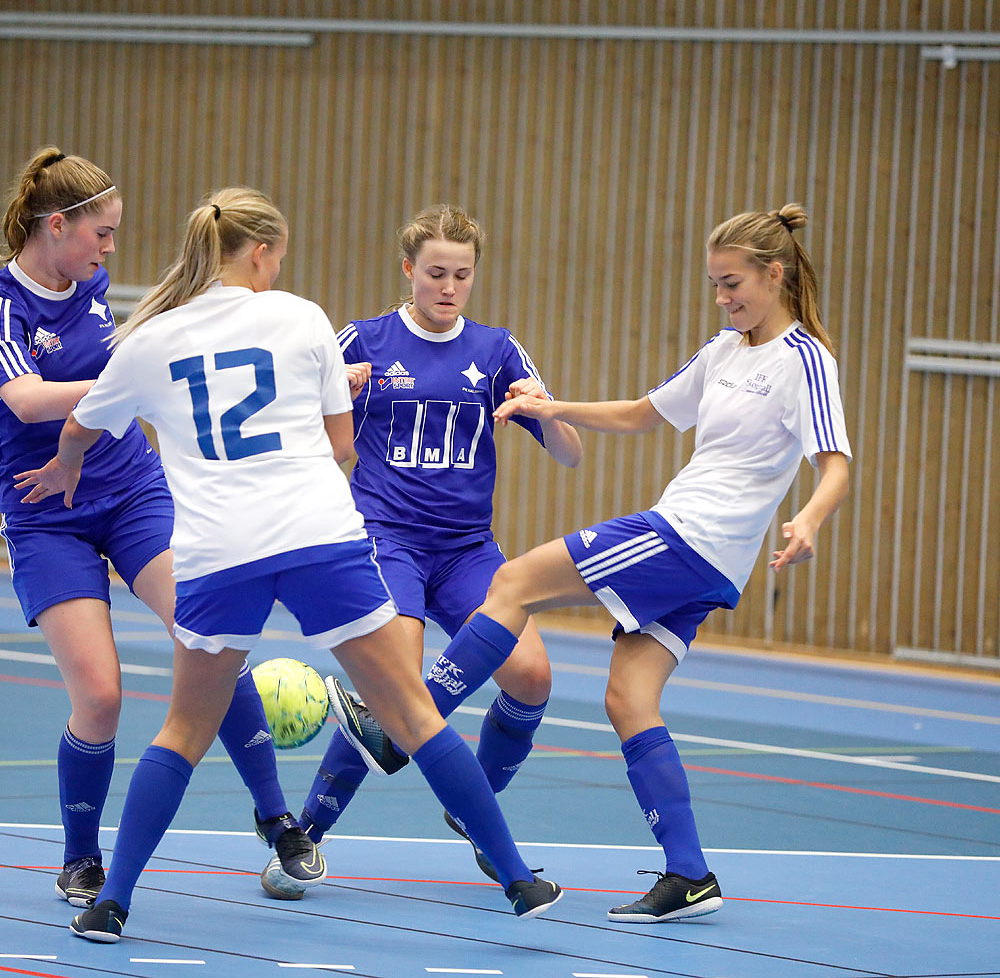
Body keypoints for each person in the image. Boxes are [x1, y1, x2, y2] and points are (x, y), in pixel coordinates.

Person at [15, 187, 564, 942]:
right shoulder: (304, 317)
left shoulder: (151, 336)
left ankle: (113, 902)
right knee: (409, 710)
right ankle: (518, 879)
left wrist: (66, 468)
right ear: (263, 253)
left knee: (182, 728)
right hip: (317, 538)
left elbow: (78, 424)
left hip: (218, 552)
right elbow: (342, 446)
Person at [349, 204, 851, 923]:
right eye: (714, 285)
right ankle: (689, 873)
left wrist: (808, 516)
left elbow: (834, 463)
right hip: (704, 559)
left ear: (776, 275)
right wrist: (554, 409)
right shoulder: (724, 349)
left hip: (689, 536)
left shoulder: (805, 358)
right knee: (629, 700)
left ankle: (400, 727)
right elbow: (646, 412)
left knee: (514, 580)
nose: (723, 298)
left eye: (733, 283)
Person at [0, 149, 315, 910]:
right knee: (101, 696)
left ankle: (276, 817)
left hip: (128, 489)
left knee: (209, 636)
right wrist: (131, 381)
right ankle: (81, 857)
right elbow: (24, 401)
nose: (109, 251)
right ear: (57, 227)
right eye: (102, 234)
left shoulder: (89, 286)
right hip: (45, 512)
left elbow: (149, 339)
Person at [285, 205, 581, 887]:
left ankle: (477, 807)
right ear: (408, 270)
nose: (449, 287)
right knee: (392, 689)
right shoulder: (362, 339)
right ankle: (304, 836)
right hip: (387, 541)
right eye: (436, 273)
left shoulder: (497, 350)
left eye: (462, 275)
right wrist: (334, 390)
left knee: (532, 676)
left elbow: (569, 455)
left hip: (468, 551)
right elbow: (293, 425)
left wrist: (547, 411)